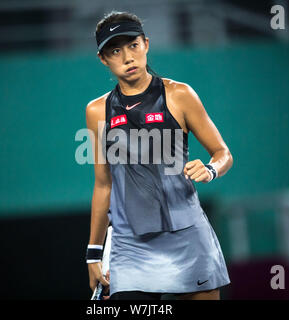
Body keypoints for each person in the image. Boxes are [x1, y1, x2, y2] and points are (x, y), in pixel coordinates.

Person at [85, 11, 233, 300]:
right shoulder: (96, 111)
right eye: (116, 50)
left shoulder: (180, 95)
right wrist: (93, 254)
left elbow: (222, 153)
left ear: (146, 44)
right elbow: (103, 185)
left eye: (133, 46)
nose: (127, 57)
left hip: (188, 236)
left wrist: (211, 169)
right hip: (131, 245)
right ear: (104, 59)